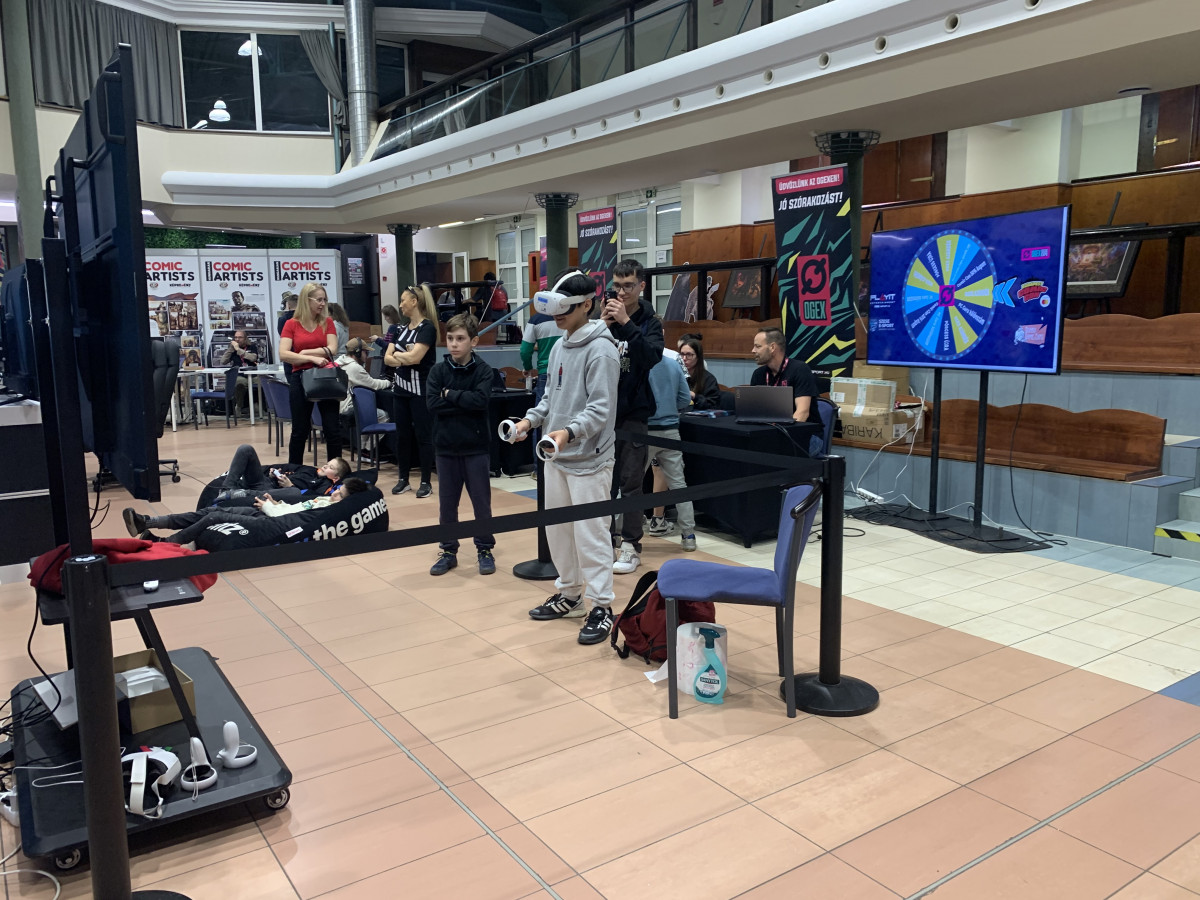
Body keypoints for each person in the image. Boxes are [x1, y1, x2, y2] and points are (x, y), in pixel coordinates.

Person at [511, 270, 619, 646]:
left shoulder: (602, 350)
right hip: (555, 457)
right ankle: (570, 594)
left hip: (590, 460)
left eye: (565, 309)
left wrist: (569, 432)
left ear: (587, 305)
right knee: (559, 532)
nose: (557, 316)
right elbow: (550, 398)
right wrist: (530, 421)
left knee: (591, 535)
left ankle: (602, 606)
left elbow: (601, 409)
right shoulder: (559, 345)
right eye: (554, 309)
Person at [602, 259, 664, 576]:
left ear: (641, 285)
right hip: (603, 413)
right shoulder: (604, 317)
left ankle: (630, 545)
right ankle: (604, 541)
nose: (622, 292)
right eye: (617, 285)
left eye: (628, 285)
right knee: (603, 483)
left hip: (633, 414)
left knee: (631, 482)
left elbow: (650, 357)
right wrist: (599, 327)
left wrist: (626, 322)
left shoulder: (650, 322)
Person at [425, 313, 497, 576]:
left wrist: (449, 394)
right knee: (447, 504)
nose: (454, 344)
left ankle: (484, 549)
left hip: (475, 448)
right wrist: (462, 401)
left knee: (481, 503)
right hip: (445, 448)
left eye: (460, 338)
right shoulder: (438, 371)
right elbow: (433, 404)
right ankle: (448, 550)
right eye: (450, 338)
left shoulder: (484, 371)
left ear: (473, 341)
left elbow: (480, 401)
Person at [129, 479, 369, 548]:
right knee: (212, 510)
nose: (334, 495)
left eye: (340, 495)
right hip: (271, 511)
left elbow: (291, 522)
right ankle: (149, 522)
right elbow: (295, 509)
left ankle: (166, 544)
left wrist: (269, 508)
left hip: (270, 522)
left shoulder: (330, 511)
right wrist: (274, 502)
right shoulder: (325, 498)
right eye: (337, 491)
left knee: (214, 518)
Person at [279, 282, 342, 464]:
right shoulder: (291, 324)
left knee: (332, 429)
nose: (323, 304)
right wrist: (312, 358)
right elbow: (284, 354)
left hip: (326, 378)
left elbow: (333, 349)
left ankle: (335, 471)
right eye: (319, 300)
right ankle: (294, 470)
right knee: (300, 430)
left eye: (325, 300)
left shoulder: (327, 322)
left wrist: (305, 353)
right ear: (307, 300)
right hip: (301, 378)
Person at [386, 284, 438, 497]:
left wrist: (399, 356)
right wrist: (403, 357)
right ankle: (403, 479)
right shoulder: (399, 329)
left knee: (423, 436)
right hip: (400, 390)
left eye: (403, 300)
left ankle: (426, 481)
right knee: (402, 436)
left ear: (414, 302)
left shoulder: (427, 328)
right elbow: (387, 359)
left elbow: (416, 358)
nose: (400, 305)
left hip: (420, 391)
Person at [645, 350, 697, 551]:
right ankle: (689, 536)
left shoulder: (639, 362)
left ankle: (621, 534)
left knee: (631, 484)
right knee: (679, 485)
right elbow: (684, 399)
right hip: (671, 430)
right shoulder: (674, 364)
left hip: (644, 431)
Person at [338, 337, 394, 461]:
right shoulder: (354, 367)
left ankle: (362, 449)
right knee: (383, 416)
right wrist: (389, 382)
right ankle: (368, 451)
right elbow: (373, 385)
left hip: (339, 406)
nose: (367, 355)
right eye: (365, 352)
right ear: (358, 353)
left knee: (372, 414)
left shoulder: (340, 362)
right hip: (348, 409)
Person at [520, 309, 564, 404]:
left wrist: (528, 368)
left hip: (545, 371)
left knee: (542, 409)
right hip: (569, 370)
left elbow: (525, 350)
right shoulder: (571, 317)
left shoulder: (535, 320)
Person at [219, 330, 259, 412]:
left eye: (240, 337)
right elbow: (223, 361)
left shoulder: (252, 346)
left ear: (245, 338)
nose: (237, 339)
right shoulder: (232, 349)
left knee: (263, 383)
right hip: (239, 374)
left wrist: (238, 349)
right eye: (236, 337)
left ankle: (260, 405)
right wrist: (231, 349)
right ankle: (239, 406)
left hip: (253, 374)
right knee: (240, 383)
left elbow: (253, 358)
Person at [678, 336, 721, 410]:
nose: (684, 358)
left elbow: (713, 406)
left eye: (689, 355)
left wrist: (695, 396)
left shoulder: (708, 379)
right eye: (682, 354)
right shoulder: (677, 375)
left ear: (698, 357)